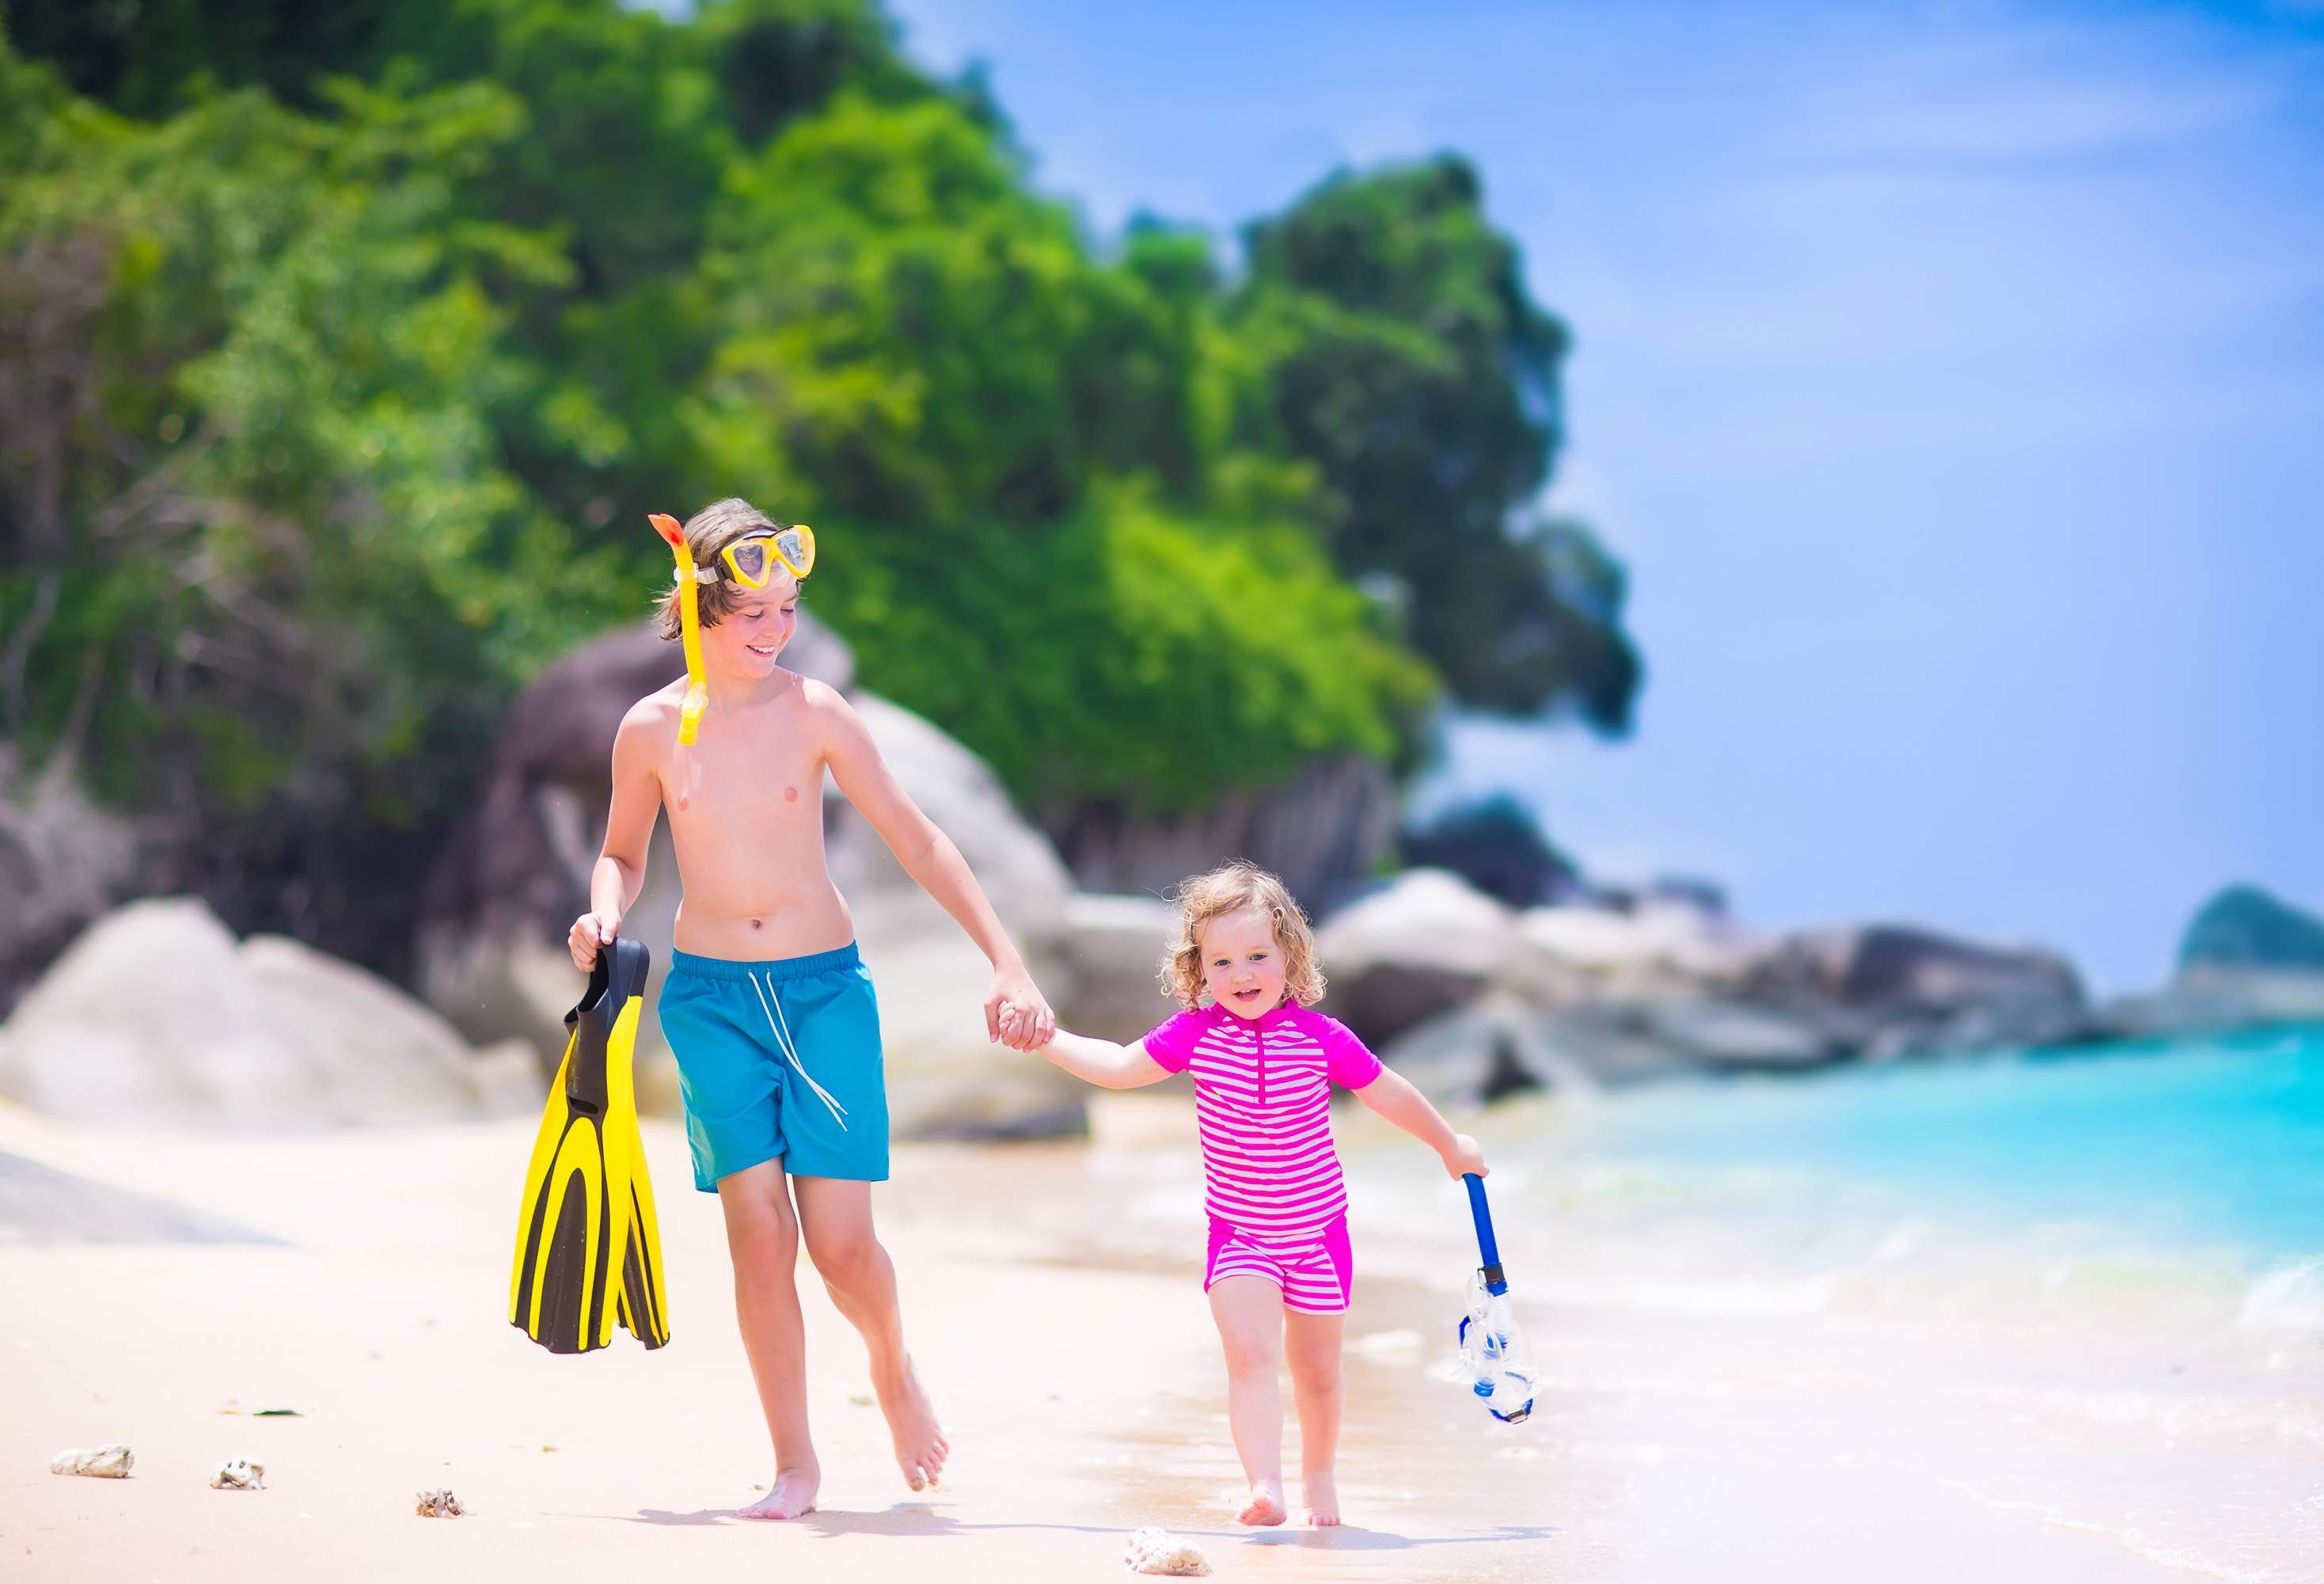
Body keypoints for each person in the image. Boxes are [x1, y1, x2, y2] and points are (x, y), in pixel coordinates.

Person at [568, 497, 1055, 1520]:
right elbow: (622, 852)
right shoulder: (649, 729)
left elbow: (920, 839)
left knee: (839, 1245)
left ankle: (891, 1362)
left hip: (824, 993)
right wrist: (602, 914)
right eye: (753, 612)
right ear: (700, 606)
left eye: (786, 610)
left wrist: (1006, 962)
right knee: (758, 1234)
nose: (775, 630)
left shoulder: (818, 713)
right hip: (709, 1003)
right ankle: (796, 1463)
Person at [1009, 860, 1484, 1527]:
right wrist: (1047, 1038)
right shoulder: (1196, 1035)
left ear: (1290, 957)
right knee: (1250, 1353)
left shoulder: (1323, 1040)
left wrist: (1448, 1144)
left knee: (1317, 1370)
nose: (1242, 973)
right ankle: (1266, 1484)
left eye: (1257, 955)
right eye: (1223, 961)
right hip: (1242, 1235)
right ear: (1199, 971)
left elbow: (1390, 1094)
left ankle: (1318, 1474)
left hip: (1319, 1236)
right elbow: (1118, 1068)